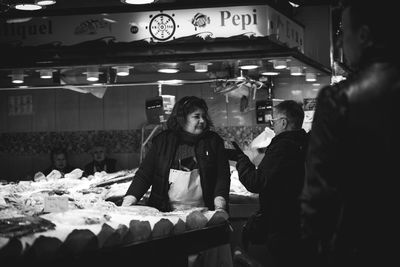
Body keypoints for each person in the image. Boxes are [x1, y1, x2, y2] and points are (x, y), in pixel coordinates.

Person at [301, 1, 400, 266]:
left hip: (360, 247)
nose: (341, 41)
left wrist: (314, 251)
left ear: (364, 35)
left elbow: (318, 193)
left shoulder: (339, 99)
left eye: (344, 32)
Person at [121, 95, 231, 266]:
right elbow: (144, 175)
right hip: (167, 216)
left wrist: (219, 203)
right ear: (182, 118)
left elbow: (222, 176)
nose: (202, 120)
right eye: (196, 116)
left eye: (203, 116)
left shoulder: (213, 141)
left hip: (203, 214)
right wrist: (128, 202)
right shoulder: (163, 141)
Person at [234, 100, 308, 267]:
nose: (273, 125)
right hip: (303, 221)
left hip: (282, 224)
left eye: (273, 121)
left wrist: (242, 160)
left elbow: (256, 182)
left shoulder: (282, 146)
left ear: (283, 122)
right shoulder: (306, 142)